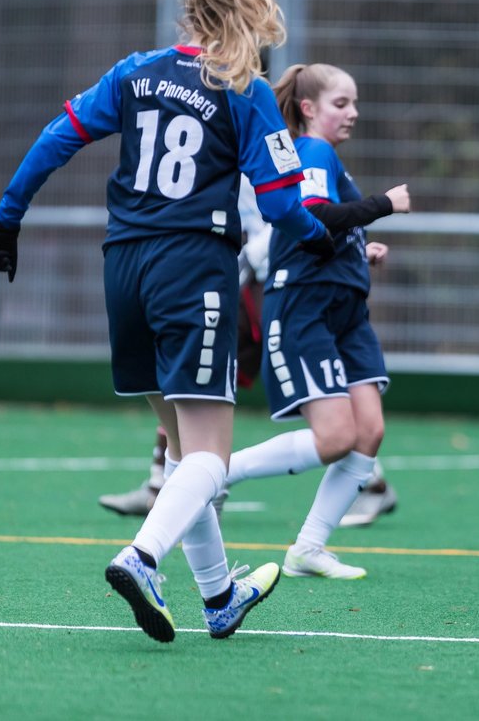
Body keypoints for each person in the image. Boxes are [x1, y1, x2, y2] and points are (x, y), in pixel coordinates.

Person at [0, 0, 337, 642]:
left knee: (184, 451)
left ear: (191, 11)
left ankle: (218, 597)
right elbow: (281, 204)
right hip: (192, 265)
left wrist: (7, 216)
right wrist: (321, 238)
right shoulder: (247, 89)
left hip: (123, 265)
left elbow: (57, 137)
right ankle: (143, 558)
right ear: (250, 13)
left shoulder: (135, 71)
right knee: (210, 452)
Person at [99, 176, 399, 527]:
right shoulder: (229, 142)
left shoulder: (276, 146)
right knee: (192, 375)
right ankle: (162, 482)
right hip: (252, 274)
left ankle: (187, 480)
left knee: (203, 377)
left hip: (270, 280)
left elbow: (298, 213)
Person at [218, 62, 408, 579]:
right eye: (341, 103)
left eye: (353, 104)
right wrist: (382, 205)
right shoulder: (313, 150)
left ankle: (308, 549)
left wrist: (359, 250)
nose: (353, 114)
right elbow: (314, 215)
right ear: (308, 109)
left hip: (345, 309)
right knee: (335, 438)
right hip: (305, 306)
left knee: (369, 431)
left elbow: (323, 229)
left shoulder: (325, 158)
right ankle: (215, 473)